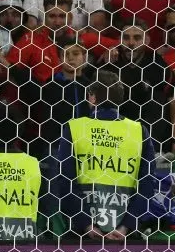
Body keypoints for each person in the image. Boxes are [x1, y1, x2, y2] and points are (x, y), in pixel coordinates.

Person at [52, 71, 157, 240]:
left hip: (82, 234)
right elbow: (148, 183)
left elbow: (65, 181)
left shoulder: (74, 128)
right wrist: (126, 226)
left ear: (92, 97)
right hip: (125, 234)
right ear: (121, 98)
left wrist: (86, 224)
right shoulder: (138, 131)